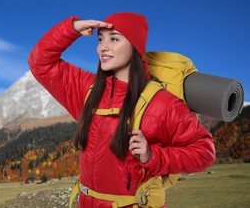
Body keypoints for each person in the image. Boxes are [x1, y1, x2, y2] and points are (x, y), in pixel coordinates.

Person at [28, 12, 215, 207]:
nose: (103, 47)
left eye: (114, 39)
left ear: (134, 47)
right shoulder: (88, 91)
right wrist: (71, 29)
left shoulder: (161, 103)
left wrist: (153, 157)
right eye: (100, 39)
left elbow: (204, 152)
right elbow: (40, 63)